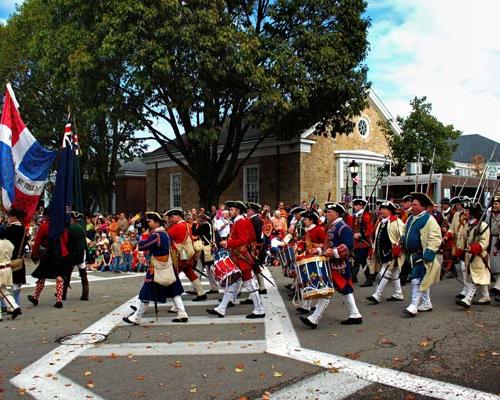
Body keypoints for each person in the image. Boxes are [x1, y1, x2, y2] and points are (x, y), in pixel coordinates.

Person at [300, 202, 362, 328]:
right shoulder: (332, 226)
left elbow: (347, 246)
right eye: (327, 212)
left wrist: (332, 253)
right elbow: (327, 245)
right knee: (345, 290)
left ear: (337, 213)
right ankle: (355, 314)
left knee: (327, 291)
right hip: (332, 264)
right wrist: (318, 250)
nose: (327, 214)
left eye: (330, 212)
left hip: (340, 265)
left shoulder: (343, 227)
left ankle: (314, 319)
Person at [123, 211, 187, 325]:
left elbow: (142, 246)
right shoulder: (165, 233)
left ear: (157, 222)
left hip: (157, 267)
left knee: (146, 292)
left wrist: (145, 235)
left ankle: (136, 318)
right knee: (173, 290)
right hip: (168, 265)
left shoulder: (157, 235)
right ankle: (182, 313)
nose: (149, 223)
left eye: (150, 221)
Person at [207, 200, 264, 319]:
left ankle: (259, 309)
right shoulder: (243, 221)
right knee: (233, 283)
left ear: (238, 210)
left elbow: (243, 239)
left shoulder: (240, 222)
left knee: (249, 283)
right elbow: (251, 237)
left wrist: (228, 243)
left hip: (242, 256)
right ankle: (221, 308)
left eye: (232, 210)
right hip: (239, 255)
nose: (230, 211)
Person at [401, 192, 442, 317]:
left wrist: (429, 253)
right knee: (422, 278)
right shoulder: (411, 218)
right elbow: (405, 231)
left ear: (423, 207)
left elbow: (435, 238)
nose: (412, 207)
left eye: (415, 205)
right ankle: (426, 303)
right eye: (412, 204)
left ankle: (414, 305)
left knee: (416, 279)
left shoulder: (429, 220)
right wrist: (402, 240)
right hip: (411, 255)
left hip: (421, 254)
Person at [28, 211, 71, 309]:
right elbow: (66, 240)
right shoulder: (61, 226)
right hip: (60, 254)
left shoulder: (44, 226)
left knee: (42, 276)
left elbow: (38, 241)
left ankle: (35, 297)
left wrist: (34, 255)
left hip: (48, 254)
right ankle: (59, 301)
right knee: (59, 277)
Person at [366, 201, 406, 305]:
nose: (381, 211)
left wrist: (398, 247)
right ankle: (398, 293)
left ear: (390, 211)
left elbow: (403, 236)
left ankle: (377, 295)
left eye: (384, 209)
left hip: (392, 253)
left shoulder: (397, 222)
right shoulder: (381, 222)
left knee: (384, 272)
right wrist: (373, 248)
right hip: (382, 252)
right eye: (381, 209)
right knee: (395, 274)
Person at [166, 208, 206, 301]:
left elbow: (167, 237)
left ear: (177, 216)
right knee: (190, 273)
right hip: (187, 254)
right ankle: (201, 292)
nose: (170, 220)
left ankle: (174, 297)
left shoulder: (176, 227)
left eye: (171, 217)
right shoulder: (187, 225)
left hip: (178, 255)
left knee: (173, 275)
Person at [456, 202, 491, 307]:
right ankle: (486, 296)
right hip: (469, 255)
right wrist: (460, 251)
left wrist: (474, 248)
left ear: (473, 212)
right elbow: (464, 239)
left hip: (479, 256)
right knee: (477, 275)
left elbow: (484, 243)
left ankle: (467, 299)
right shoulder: (467, 224)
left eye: (467, 210)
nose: (464, 212)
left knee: (474, 277)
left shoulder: (483, 225)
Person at [64, 211, 89, 301]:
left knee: (67, 274)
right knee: (83, 274)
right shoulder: (81, 229)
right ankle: (85, 294)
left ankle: (63, 294)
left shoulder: (68, 229)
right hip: (81, 253)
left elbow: (67, 243)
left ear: (71, 219)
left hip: (72, 254)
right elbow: (84, 243)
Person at [5, 208, 28, 306]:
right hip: (19, 258)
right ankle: (17, 303)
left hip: (8, 258)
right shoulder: (23, 229)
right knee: (16, 284)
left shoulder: (10, 229)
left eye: (9, 216)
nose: (8, 218)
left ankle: (5, 305)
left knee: (3, 284)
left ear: (14, 217)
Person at [351, 199, 374, 286]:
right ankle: (353, 277)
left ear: (361, 206)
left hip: (363, 243)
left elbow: (369, 230)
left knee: (362, 261)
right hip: (356, 243)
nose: (354, 207)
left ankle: (369, 279)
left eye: (356, 205)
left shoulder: (365, 216)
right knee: (356, 260)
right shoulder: (356, 216)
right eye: (354, 205)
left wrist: (361, 234)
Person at [0, 227, 22, 321]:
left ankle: (13, 307)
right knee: (3, 290)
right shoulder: (9, 243)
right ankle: (13, 307)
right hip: (8, 268)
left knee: (2, 291)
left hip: (0, 268)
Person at [487, 195, 500, 297]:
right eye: (493, 204)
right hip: (492, 239)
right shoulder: (490, 215)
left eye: (496, 204)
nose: (494, 206)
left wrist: (497, 245)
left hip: (498, 240)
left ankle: (497, 287)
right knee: (494, 265)